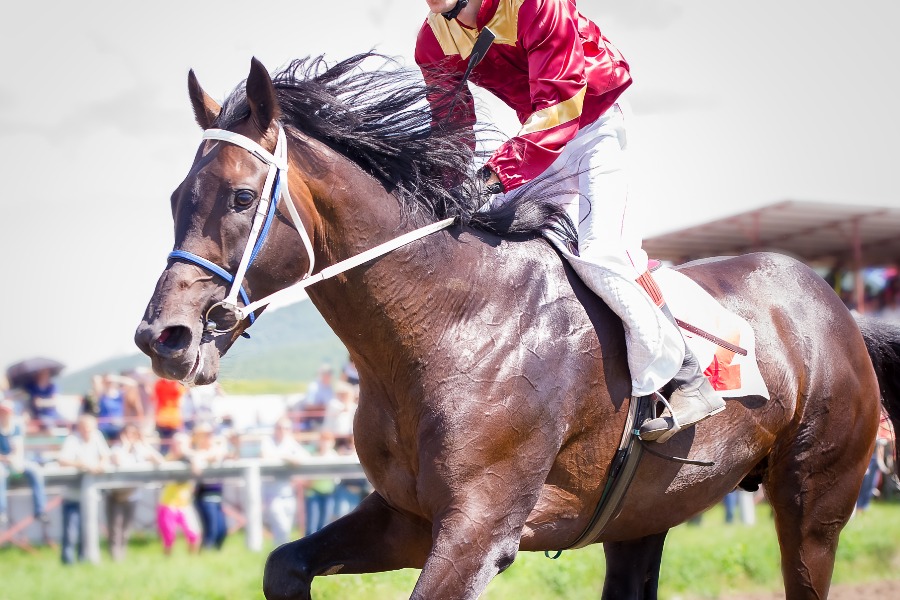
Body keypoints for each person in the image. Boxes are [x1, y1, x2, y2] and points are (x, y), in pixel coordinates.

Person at [415, 0, 724, 442]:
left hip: (594, 127)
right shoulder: (432, 40)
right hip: (538, 143)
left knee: (604, 250)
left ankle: (688, 379)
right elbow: (451, 122)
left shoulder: (536, 4)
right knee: (478, 230)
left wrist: (494, 175)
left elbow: (561, 102)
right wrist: (441, 185)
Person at [56, 414, 111, 564]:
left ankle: (83, 560)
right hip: (72, 495)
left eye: (90, 429)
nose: (88, 432)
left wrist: (100, 465)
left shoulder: (97, 436)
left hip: (90, 496)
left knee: (86, 531)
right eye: (85, 429)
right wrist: (83, 465)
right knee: (70, 532)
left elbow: (105, 455)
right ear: (79, 428)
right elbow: (62, 460)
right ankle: (67, 562)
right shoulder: (72, 440)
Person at [107, 423, 164, 560]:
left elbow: (160, 461)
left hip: (132, 495)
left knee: (126, 529)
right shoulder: (116, 449)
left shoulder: (140, 451)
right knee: (115, 528)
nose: (131, 438)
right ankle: (115, 557)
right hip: (116, 494)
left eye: (134, 435)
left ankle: (122, 555)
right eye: (128, 434)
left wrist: (145, 444)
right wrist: (126, 445)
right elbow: (119, 461)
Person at [261, 416, 310, 546]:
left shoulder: (290, 442)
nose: (283, 430)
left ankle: (280, 557)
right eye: (280, 427)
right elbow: (266, 457)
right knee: (281, 527)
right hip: (272, 494)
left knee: (286, 530)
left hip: (289, 493)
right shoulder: (268, 441)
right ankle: (279, 558)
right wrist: (287, 458)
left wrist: (287, 459)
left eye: (286, 428)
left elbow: (304, 458)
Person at [0, 398, 49, 527]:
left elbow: (18, 448)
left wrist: (16, 461)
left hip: (15, 460)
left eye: (6, 412)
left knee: (35, 470)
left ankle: (40, 510)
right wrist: (7, 459)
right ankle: (1, 511)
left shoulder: (15, 428)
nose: (3, 415)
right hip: (2, 462)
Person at [156, 432, 201, 556]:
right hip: (168, 503)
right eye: (175, 443)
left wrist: (192, 458)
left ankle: (193, 560)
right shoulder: (170, 457)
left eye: (180, 443)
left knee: (193, 534)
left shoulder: (191, 457)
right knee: (168, 537)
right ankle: (167, 560)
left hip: (184, 503)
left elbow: (196, 462)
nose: (177, 446)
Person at [190, 422, 229, 550]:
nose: (210, 437)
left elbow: (223, 452)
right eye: (206, 434)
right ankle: (205, 554)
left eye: (210, 434)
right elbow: (196, 468)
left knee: (222, 530)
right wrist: (207, 456)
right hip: (204, 496)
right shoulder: (196, 452)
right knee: (211, 531)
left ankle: (215, 555)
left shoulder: (215, 449)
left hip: (217, 495)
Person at [153, 378, 186, 453]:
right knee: (164, 442)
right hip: (164, 417)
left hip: (172, 418)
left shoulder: (176, 384)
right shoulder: (160, 383)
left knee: (172, 442)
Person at [301, 364, 335, 431]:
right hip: (315, 419)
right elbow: (308, 406)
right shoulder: (313, 387)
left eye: (329, 374)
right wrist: (323, 407)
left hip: (329, 417)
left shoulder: (329, 387)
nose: (329, 376)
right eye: (326, 374)